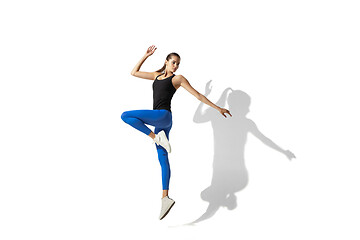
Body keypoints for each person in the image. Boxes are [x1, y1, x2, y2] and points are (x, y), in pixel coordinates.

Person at [121, 45, 232, 220]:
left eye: (178, 64)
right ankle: (165, 198)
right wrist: (145, 55)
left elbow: (198, 96)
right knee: (162, 158)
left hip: (164, 116)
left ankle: (156, 138)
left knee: (126, 115)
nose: (175, 66)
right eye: (173, 62)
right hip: (161, 123)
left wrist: (218, 108)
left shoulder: (177, 79)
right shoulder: (156, 76)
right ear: (166, 61)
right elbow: (134, 72)